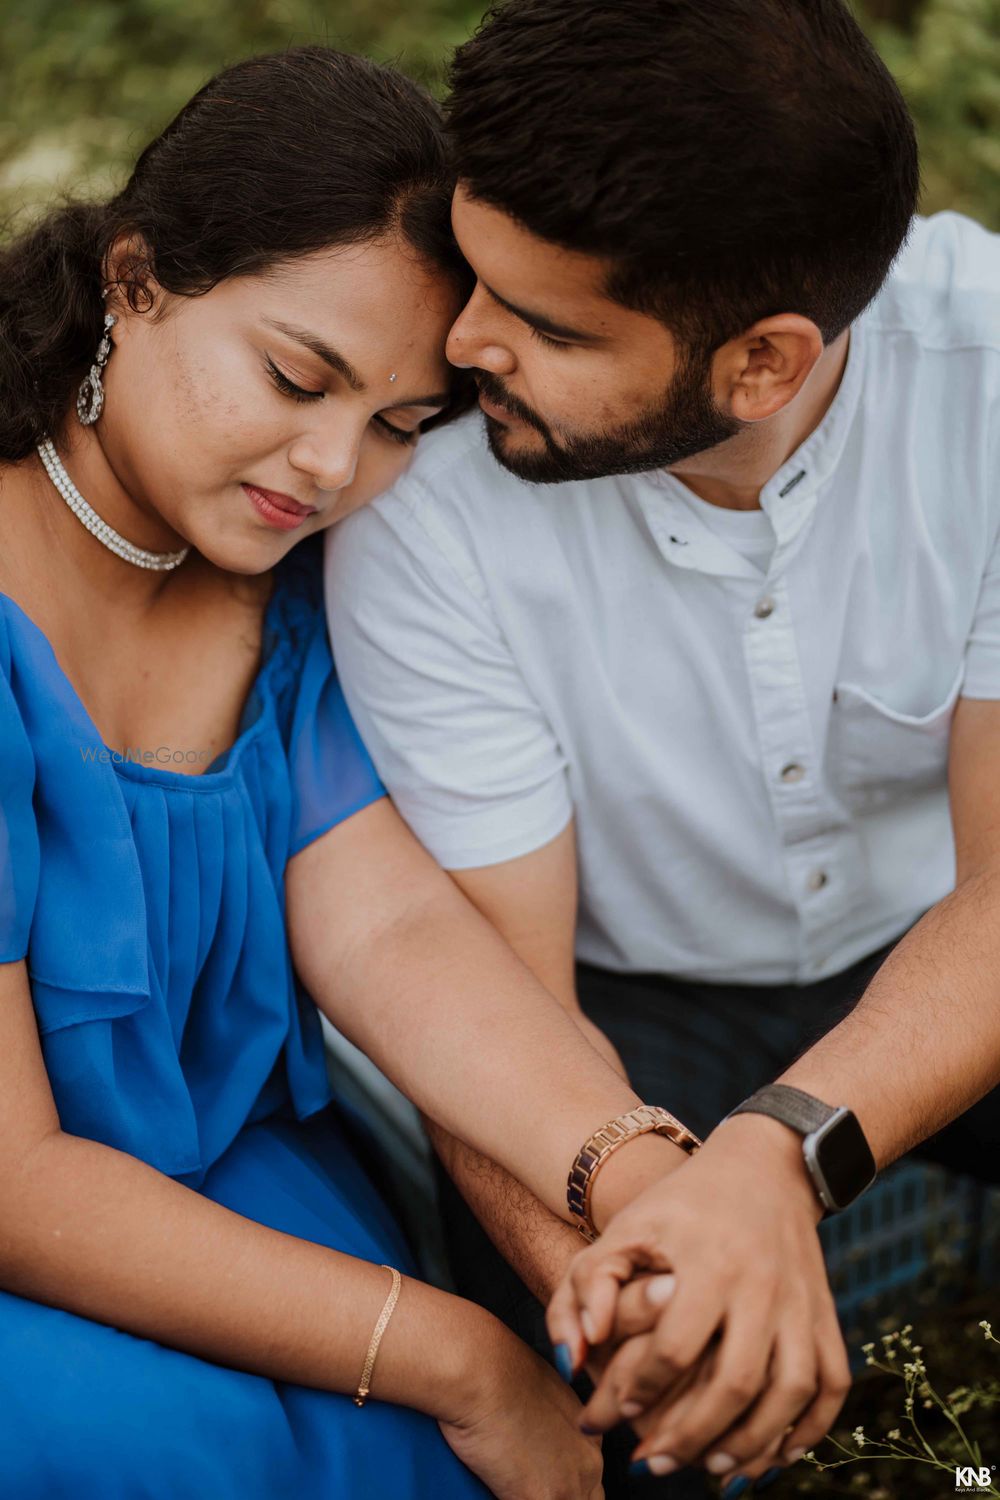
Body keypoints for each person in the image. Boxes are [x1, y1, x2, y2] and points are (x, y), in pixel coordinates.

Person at [0, 44, 708, 1500]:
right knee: (202, 1455)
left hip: (220, 1181)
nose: (331, 466)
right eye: (294, 377)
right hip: (26, 1219)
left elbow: (392, 931)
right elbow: (14, 1182)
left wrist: (645, 1185)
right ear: (134, 281)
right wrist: (456, 1354)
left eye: (398, 425)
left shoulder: (282, 588)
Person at [325, 1, 1000, 1495]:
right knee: (632, 1404)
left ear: (762, 363)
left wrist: (773, 1160)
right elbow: (493, 1009)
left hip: (946, 949)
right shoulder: (422, 506)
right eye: (476, 268)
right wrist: (654, 1288)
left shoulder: (995, 380)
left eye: (551, 326)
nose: (459, 342)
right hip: (617, 1009)